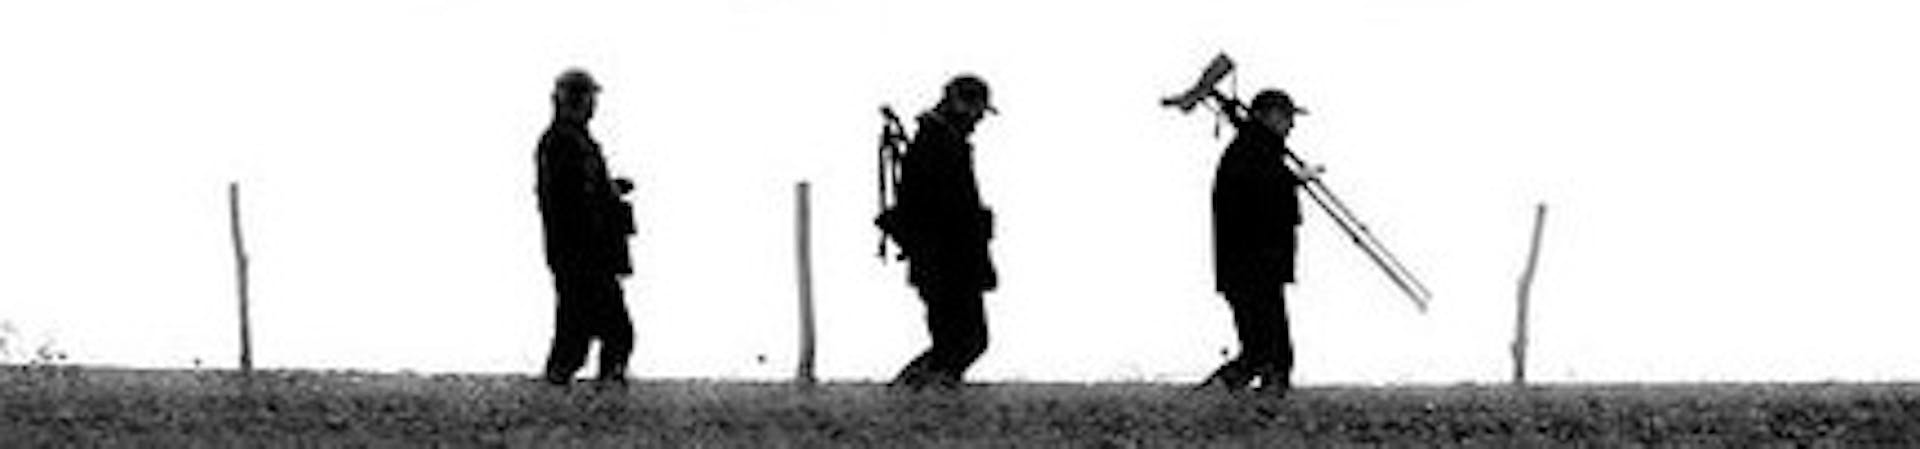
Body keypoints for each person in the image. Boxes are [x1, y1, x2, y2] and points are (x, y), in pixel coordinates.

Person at [882, 74, 1000, 390]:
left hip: (946, 259)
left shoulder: (939, 140)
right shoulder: (938, 144)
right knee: (963, 341)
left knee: (962, 340)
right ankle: (915, 395)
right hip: (946, 261)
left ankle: (922, 395)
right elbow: (945, 210)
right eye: (977, 110)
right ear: (960, 104)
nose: (979, 119)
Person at [1197, 89, 1313, 395]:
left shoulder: (1255, 148)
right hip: (1254, 264)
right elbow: (1261, 197)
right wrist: (1295, 180)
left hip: (1250, 265)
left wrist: (1292, 180)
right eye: (1285, 116)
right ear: (1267, 116)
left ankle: (1219, 394)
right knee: (1269, 347)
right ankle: (1254, 396)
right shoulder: (1254, 151)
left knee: (1260, 346)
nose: (1291, 125)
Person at [535, 68, 637, 385]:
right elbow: (572, 200)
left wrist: (611, 190)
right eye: (586, 97)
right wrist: (607, 204)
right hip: (583, 253)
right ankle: (602, 390)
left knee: (578, 330)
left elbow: (579, 193)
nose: (591, 105)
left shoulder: (570, 140)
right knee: (611, 330)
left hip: (581, 252)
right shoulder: (563, 142)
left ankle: (566, 387)